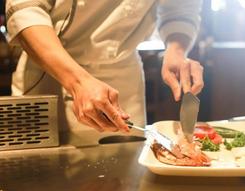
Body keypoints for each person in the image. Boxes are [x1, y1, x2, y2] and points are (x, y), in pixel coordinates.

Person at [6, 0, 205, 144]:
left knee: (124, 186)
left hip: (122, 77)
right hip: (50, 69)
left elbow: (181, 9)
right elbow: (25, 9)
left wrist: (177, 50)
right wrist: (78, 82)